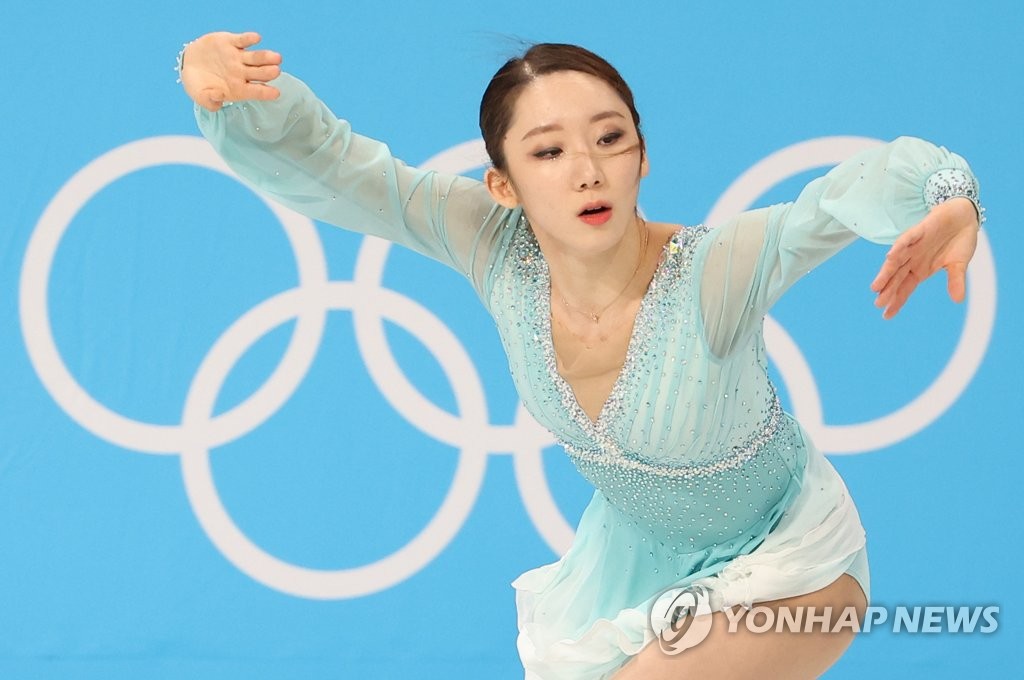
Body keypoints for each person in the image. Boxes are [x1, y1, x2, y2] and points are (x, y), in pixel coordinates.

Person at [178, 31, 983, 679]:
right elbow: (343, 170)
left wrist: (948, 196)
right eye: (548, 151)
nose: (589, 171)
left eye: (610, 138)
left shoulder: (716, 269)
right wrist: (209, 76)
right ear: (504, 184)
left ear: (643, 155)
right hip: (633, 578)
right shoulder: (490, 245)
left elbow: (836, 198)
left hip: (797, 569)